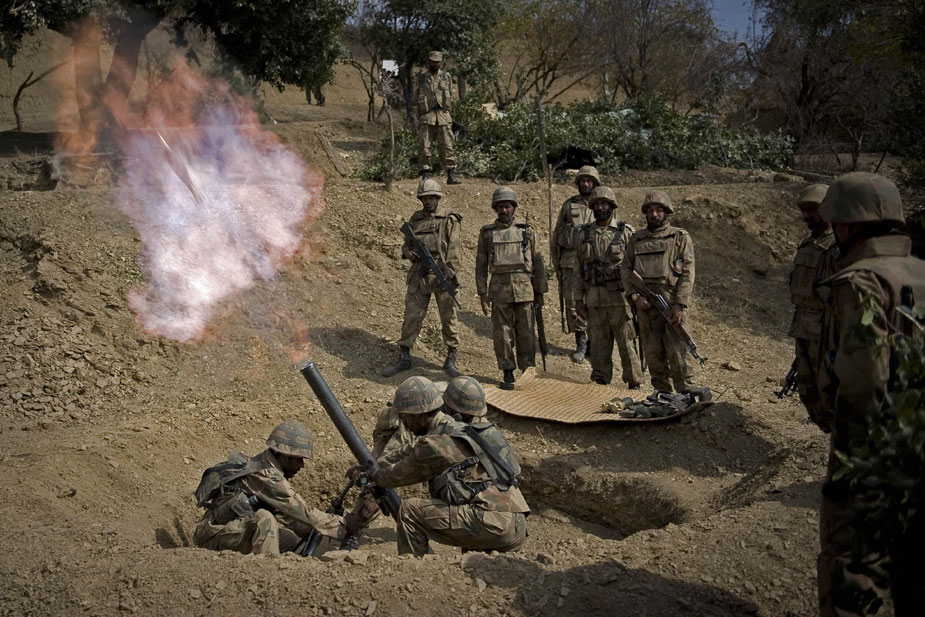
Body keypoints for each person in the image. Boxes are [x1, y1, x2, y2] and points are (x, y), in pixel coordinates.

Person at [814, 172, 925, 617]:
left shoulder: (861, 282)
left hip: (877, 455)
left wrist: (850, 465)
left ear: (846, 225)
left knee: (855, 569)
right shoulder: (920, 272)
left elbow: (863, 383)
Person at [366, 375, 529, 556]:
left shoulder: (437, 444)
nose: (403, 422)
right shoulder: (458, 430)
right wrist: (375, 464)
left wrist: (372, 475)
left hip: (493, 524)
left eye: (405, 416)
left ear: (420, 416)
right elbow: (410, 450)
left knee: (409, 510)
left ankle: (416, 570)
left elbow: (397, 475)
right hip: (515, 524)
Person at [193, 420, 352, 555]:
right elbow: (303, 512)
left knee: (288, 539)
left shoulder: (264, 466)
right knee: (265, 520)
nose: (302, 465)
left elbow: (283, 513)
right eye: (298, 459)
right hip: (213, 536)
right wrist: (344, 525)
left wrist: (305, 528)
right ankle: (267, 573)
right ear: (282, 456)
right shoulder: (267, 476)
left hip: (232, 531)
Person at [381, 179, 463, 379]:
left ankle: (451, 357)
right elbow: (406, 244)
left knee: (449, 318)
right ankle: (404, 356)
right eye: (425, 198)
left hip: (442, 272)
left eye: (432, 197)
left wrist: (450, 271)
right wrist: (407, 252)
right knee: (412, 316)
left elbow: (455, 248)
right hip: (420, 274)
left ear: (438, 198)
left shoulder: (449, 219)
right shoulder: (415, 220)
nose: (429, 201)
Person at [620, 190, 696, 393]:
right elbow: (626, 270)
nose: (654, 214)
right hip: (646, 306)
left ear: (666, 213)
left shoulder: (679, 237)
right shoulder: (636, 239)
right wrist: (635, 297)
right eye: (650, 210)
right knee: (653, 353)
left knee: (678, 352)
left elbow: (688, 273)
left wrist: (680, 304)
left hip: (670, 303)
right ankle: (662, 395)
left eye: (659, 210)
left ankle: (686, 394)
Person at [475, 186, 548, 389]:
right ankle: (507, 371)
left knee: (526, 333)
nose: (504, 210)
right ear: (495, 209)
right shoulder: (487, 234)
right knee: (502, 334)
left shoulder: (527, 231)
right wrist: (482, 293)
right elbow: (480, 265)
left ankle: (527, 371)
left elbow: (538, 263)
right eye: (500, 207)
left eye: (507, 206)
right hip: (499, 290)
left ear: (514, 207)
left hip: (525, 289)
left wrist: (540, 291)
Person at [575, 186, 643, 387]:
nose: (600, 207)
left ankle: (634, 384)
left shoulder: (626, 233)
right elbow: (578, 270)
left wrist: (637, 296)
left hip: (620, 300)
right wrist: (578, 299)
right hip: (594, 301)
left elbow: (637, 268)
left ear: (611, 206)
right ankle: (600, 382)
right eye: (596, 204)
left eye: (604, 203)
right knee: (598, 346)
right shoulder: (583, 234)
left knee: (627, 344)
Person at [787, 184, 837, 430]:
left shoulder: (838, 246)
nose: (807, 215)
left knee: (829, 389)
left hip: (825, 330)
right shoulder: (807, 244)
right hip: (802, 326)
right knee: (807, 389)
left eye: (812, 210)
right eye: (804, 210)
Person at [551, 166, 599, 362]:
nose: (585, 184)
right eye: (582, 181)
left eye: (589, 181)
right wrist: (556, 265)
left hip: (595, 262)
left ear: (595, 183)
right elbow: (557, 236)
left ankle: (594, 344)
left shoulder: (603, 204)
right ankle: (581, 342)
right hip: (571, 262)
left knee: (594, 302)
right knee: (573, 303)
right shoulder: (569, 205)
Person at [414, 51, 460, 185]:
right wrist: (418, 115)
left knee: (447, 145)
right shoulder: (421, 78)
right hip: (426, 116)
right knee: (425, 146)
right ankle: (425, 175)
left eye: (437, 62)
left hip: (443, 116)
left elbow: (451, 95)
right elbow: (415, 97)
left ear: (441, 62)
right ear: (429, 62)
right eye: (433, 62)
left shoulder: (446, 77)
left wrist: (448, 112)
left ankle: (451, 174)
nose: (435, 64)